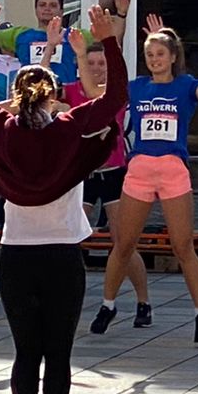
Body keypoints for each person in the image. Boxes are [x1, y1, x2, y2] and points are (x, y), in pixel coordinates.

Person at [0, 0, 127, 394]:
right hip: (61, 256)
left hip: (17, 254)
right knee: (59, 355)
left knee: (24, 352)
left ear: (15, 97)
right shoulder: (70, 130)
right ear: (53, 98)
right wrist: (106, 39)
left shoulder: (1, 129)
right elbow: (115, 100)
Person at [92, 14, 198, 342]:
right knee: (123, 244)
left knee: (182, 246)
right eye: (149, 55)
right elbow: (93, 91)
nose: (154, 60)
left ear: (173, 57)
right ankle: (108, 305)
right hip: (139, 169)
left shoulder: (186, 85)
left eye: (160, 54)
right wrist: (84, 55)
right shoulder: (136, 86)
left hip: (172, 170)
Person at [70, 28, 150, 325]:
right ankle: (70, 300)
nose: (95, 68)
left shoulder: (115, 94)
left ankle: (143, 302)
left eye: (101, 63)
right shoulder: (69, 89)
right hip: (83, 174)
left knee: (124, 242)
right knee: (69, 237)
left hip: (115, 172)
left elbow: (101, 101)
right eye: (90, 63)